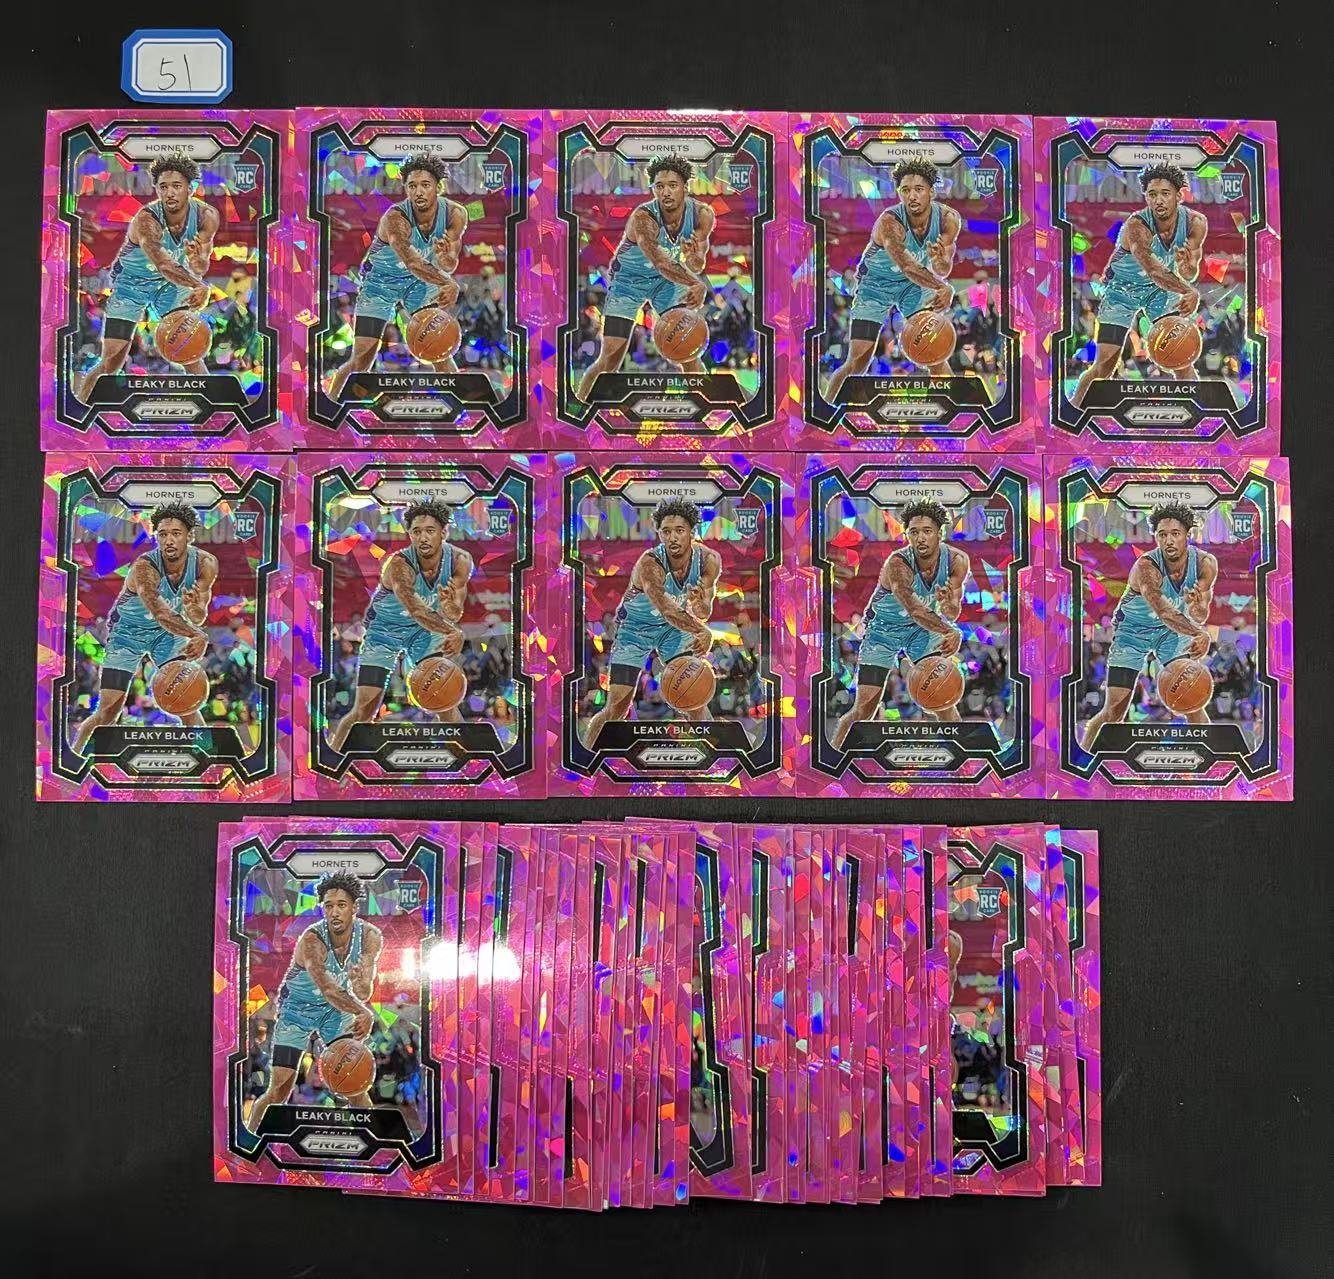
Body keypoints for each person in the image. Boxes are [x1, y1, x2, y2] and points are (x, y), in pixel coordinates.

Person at [328, 500, 470, 752]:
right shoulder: (399, 565)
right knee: (364, 710)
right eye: (416, 531)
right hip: (384, 632)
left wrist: (450, 608)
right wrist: (450, 630)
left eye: (430, 530)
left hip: (422, 632)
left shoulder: (460, 560)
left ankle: (466, 760)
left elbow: (455, 611)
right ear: (410, 534)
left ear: (443, 532)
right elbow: (416, 609)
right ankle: (331, 762)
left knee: (446, 702)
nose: (422, 537)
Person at [73, 503, 216, 753]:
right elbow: (160, 613)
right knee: (108, 711)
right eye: (163, 534)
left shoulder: (205, 563)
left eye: (176, 533)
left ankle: (208, 758)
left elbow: (199, 615)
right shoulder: (144, 567)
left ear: (190, 535)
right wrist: (195, 633)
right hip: (127, 633)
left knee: (187, 702)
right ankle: (74, 757)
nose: (169, 540)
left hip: (166, 634)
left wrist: (193, 609)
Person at [247, 872, 383, 1131]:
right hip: (296, 1010)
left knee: (355, 1085)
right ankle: (248, 1139)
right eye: (328, 906)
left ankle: (374, 1139)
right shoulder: (312, 940)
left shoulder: (370, 936)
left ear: (354, 907)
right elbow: (328, 989)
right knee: (279, 1089)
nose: (334, 912)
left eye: (341, 905)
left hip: (335, 1011)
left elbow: (364, 992)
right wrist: (362, 1011)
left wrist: (359, 982)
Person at [76, 153, 218, 402]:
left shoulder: (207, 216)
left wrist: (197, 262)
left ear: (191, 188)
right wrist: (198, 285)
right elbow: (162, 264)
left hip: (168, 284)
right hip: (131, 284)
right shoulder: (146, 220)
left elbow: (201, 262)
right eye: (163, 187)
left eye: (176, 186)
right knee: (111, 362)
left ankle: (213, 409)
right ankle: (80, 406)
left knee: (191, 353)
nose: (169, 193)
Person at [580, 497, 719, 747]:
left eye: (679, 530)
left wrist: (700, 604)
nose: (672, 537)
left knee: (695, 699)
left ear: (692, 532)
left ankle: (715, 757)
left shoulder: (708, 560)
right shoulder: (650, 563)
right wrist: (701, 630)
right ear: (659, 534)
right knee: (617, 707)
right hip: (635, 629)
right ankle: (585, 758)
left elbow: (703, 610)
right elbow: (666, 609)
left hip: (672, 630)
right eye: (666, 531)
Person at [328, 153, 467, 399]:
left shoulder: (455, 214)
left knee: (440, 350)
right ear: (405, 188)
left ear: (438, 187)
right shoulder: (395, 218)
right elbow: (412, 262)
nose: (418, 192)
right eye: (412, 186)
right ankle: (329, 406)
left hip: (417, 283)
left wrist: (444, 258)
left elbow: (450, 262)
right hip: (380, 282)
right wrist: (447, 281)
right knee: (361, 359)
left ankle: (460, 406)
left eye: (425, 185)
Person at [831, 499, 969, 747]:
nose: (920, 538)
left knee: (944, 702)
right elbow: (914, 609)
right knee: (864, 709)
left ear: (940, 533)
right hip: (883, 631)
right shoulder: (898, 564)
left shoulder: (957, 561)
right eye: (914, 532)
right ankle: (833, 757)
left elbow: (952, 611)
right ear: (907, 535)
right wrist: (950, 630)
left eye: (927, 531)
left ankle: (964, 757)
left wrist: (948, 604)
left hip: (920, 631)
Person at [1080, 502, 1217, 749]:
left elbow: (1200, 612)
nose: (1169, 541)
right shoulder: (1146, 567)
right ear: (1156, 537)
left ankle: (1210, 758)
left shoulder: (1205, 564)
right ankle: (1082, 759)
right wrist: (1199, 633)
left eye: (1175, 533)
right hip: (1133, 631)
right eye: (1162, 535)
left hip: (1170, 632)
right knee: (1114, 711)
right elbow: (1163, 611)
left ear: (1188, 534)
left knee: (1193, 703)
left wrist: (1196, 605)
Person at [575, 155, 714, 400]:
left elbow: (697, 262)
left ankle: (705, 408)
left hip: (664, 283)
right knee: (609, 359)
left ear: (685, 186)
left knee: (689, 353)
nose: (665, 192)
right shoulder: (643, 218)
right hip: (628, 282)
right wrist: (694, 282)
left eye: (672, 185)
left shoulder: (702, 215)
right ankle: (577, 410)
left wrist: (693, 258)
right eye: (659, 186)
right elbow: (660, 262)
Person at [1070, 163, 1207, 406]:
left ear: (1179, 195)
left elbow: (1190, 271)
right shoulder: (1136, 226)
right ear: (1146, 197)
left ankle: (1198, 411)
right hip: (1122, 290)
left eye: (1165, 193)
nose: (1158, 200)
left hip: (1159, 291)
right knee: (1104, 366)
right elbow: (1153, 270)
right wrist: (1187, 290)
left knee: (1182, 359)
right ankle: (1072, 410)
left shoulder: (1195, 222)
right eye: (1152, 194)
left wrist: (1186, 266)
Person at [824, 158, 960, 400]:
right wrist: (942, 286)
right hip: (875, 284)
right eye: (905, 190)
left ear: (931, 191)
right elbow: (907, 266)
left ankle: (954, 410)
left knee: (936, 353)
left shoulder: (948, 219)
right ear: (899, 193)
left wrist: (940, 262)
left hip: (912, 285)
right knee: (857, 361)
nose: (912, 196)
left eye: (918, 189)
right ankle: (825, 411)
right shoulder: (889, 222)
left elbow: (943, 266)